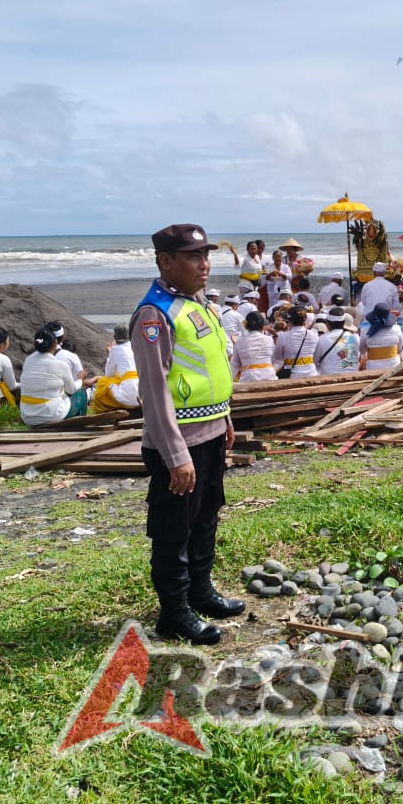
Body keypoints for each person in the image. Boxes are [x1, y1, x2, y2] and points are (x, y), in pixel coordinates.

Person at [129, 223, 243, 646]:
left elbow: (210, 368)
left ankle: (201, 591)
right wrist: (175, 453)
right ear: (165, 262)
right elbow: (154, 392)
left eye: (205, 255)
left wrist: (226, 417)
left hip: (211, 432)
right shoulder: (154, 314)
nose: (204, 264)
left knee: (206, 517)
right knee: (173, 528)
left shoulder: (198, 305)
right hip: (179, 442)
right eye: (193, 257)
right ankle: (174, 612)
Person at [20, 327, 95, 426]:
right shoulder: (60, 365)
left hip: (27, 416)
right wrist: (80, 380)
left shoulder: (28, 361)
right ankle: (78, 427)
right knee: (82, 393)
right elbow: (71, 390)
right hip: (51, 415)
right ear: (55, 344)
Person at [91, 323, 141, 414]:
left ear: (115, 337)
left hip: (128, 394)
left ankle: (105, 411)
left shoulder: (115, 349)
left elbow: (109, 374)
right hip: (142, 390)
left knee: (103, 383)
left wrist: (110, 353)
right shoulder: (136, 346)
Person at [273, 307, 319, 378]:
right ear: (304, 320)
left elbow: (278, 358)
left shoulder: (283, 336)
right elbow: (316, 356)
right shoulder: (314, 334)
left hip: (292, 375)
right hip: (311, 373)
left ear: (290, 321)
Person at [232, 310, 278, 382]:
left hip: (248, 379)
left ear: (246, 327)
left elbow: (235, 364)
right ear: (263, 326)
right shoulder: (269, 340)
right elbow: (274, 359)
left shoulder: (239, 342)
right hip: (269, 377)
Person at [314, 306, 361, 375]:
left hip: (330, 379)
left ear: (327, 323)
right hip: (352, 375)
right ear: (343, 322)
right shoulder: (353, 337)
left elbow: (315, 360)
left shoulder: (322, 339)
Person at [359, 303, 402, 370]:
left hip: (373, 368)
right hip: (394, 367)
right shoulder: (397, 329)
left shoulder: (365, 331)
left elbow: (362, 351)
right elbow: (399, 348)